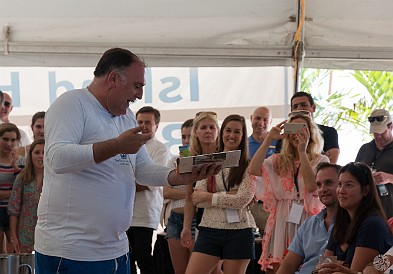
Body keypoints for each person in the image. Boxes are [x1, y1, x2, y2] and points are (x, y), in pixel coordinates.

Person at [34, 48, 220, 274]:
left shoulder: (126, 116)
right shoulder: (73, 103)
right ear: (113, 78)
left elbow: (141, 168)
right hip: (71, 250)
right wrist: (117, 146)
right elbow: (56, 159)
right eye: (137, 85)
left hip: (116, 249)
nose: (139, 95)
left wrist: (176, 176)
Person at [249, 112, 329, 273]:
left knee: (306, 264)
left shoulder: (321, 160)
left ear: (310, 132)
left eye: (302, 129)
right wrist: (268, 139)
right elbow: (253, 169)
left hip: (307, 217)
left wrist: (302, 151)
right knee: (279, 265)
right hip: (281, 218)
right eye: (293, 129)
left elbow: (312, 187)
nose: (296, 134)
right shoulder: (278, 159)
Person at [185, 114, 256, 274]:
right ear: (222, 133)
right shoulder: (210, 161)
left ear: (243, 136)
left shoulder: (249, 165)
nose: (232, 135)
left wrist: (210, 196)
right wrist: (230, 195)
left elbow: (241, 201)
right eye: (228, 131)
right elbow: (197, 198)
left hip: (240, 231)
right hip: (209, 229)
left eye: (237, 132)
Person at [319, 162, 393, 273]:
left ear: (366, 190)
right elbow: (322, 268)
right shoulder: (341, 222)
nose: (341, 191)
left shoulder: (372, 224)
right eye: (339, 184)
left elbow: (366, 271)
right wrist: (344, 266)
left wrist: (339, 266)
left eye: (349, 185)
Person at [128, 106, 171, 274]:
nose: (143, 126)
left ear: (157, 126)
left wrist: (124, 182)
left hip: (144, 214)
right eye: (140, 122)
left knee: (143, 257)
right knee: (126, 258)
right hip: (124, 214)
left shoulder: (160, 148)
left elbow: (150, 180)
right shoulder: (128, 145)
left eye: (148, 122)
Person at [276, 162, 340, 274]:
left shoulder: (356, 223)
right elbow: (289, 264)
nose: (323, 189)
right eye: (319, 185)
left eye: (329, 183)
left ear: (341, 185)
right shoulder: (309, 224)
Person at [181, 111, 223, 274]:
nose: (208, 131)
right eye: (203, 127)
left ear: (218, 131)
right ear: (196, 132)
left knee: (216, 269)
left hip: (225, 218)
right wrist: (186, 228)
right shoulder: (191, 160)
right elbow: (188, 199)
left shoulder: (226, 157)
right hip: (203, 221)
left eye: (212, 127)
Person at [164, 118, 195, 274]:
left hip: (198, 219)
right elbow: (165, 191)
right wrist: (191, 194)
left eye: (190, 136)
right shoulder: (174, 161)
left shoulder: (207, 160)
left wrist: (184, 195)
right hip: (175, 219)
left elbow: (208, 193)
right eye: (183, 136)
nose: (186, 140)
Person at [277, 91, 340, 163]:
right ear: (292, 111)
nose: (299, 108)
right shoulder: (285, 135)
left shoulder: (329, 132)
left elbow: (330, 164)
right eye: (295, 106)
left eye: (303, 105)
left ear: (313, 108)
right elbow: (281, 163)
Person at [8, 139, 45, 253]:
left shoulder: (55, 180)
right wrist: (13, 237)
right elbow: (14, 210)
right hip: (24, 235)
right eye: (37, 152)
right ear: (30, 155)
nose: (41, 156)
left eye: (44, 152)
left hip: (46, 235)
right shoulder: (22, 178)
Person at [355, 109, 393, 219]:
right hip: (365, 209)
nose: (378, 137)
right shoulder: (365, 149)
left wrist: (389, 178)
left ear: (391, 126)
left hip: (389, 211)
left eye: (382, 133)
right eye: (375, 133)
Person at [0, 123, 24, 252]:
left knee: (16, 251)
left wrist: (14, 165)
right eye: (5, 139)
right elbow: (19, 190)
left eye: (12, 140)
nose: (9, 143)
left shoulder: (21, 161)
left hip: (14, 213)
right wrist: (14, 192)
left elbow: (24, 186)